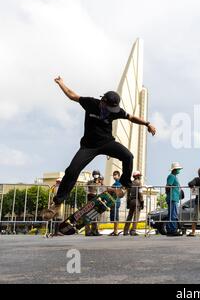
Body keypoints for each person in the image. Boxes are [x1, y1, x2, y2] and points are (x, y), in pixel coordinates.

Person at [42, 76, 156, 221]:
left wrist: (147, 124)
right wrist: (61, 83)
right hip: (88, 146)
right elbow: (72, 95)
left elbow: (131, 117)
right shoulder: (90, 103)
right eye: (107, 107)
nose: (109, 111)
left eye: (111, 109)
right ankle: (57, 204)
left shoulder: (116, 111)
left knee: (128, 156)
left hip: (107, 143)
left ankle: (125, 184)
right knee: (72, 170)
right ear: (102, 101)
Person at [123, 171, 144, 236]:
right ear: (137, 176)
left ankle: (125, 231)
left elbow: (128, 195)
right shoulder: (139, 183)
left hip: (131, 201)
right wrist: (142, 202)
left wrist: (128, 203)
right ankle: (133, 231)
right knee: (136, 217)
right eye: (139, 176)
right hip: (137, 201)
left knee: (129, 216)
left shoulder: (131, 183)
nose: (140, 177)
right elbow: (140, 193)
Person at [166, 162, 184, 236]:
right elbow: (168, 186)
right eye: (178, 169)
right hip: (172, 197)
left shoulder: (174, 176)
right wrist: (169, 195)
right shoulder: (172, 176)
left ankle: (171, 229)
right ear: (174, 169)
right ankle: (172, 229)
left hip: (174, 197)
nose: (178, 170)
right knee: (173, 214)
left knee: (172, 214)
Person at [85, 170, 102, 236]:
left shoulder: (100, 183)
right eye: (95, 174)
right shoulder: (89, 182)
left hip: (97, 200)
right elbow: (85, 189)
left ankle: (95, 231)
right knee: (89, 215)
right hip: (90, 199)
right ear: (93, 175)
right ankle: (88, 231)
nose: (96, 175)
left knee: (95, 215)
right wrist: (89, 192)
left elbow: (102, 190)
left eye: (97, 174)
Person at [109, 171, 123, 236]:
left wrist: (110, 189)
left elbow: (117, 190)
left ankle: (116, 231)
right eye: (113, 175)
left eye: (115, 175)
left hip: (116, 201)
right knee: (113, 216)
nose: (114, 176)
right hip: (113, 201)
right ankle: (114, 231)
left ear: (119, 175)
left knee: (116, 216)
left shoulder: (119, 183)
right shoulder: (115, 183)